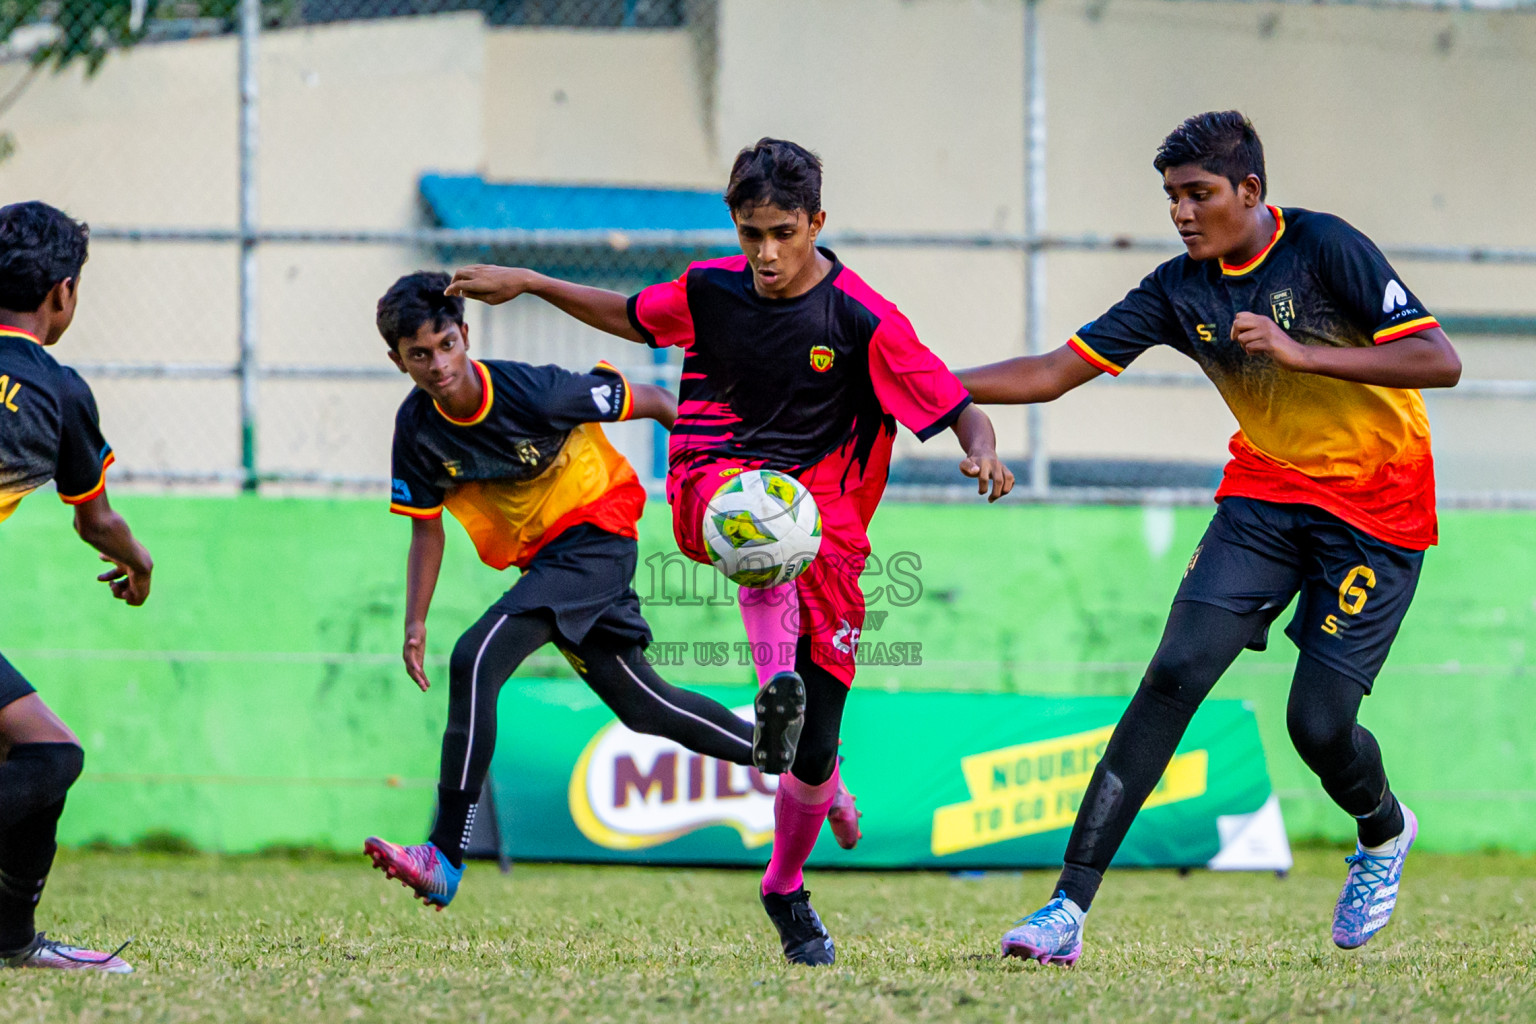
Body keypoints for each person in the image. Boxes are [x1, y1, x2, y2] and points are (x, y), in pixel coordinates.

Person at [445, 138, 1014, 965]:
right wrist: (529, 281)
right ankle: (772, 687)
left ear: (817, 221)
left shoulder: (863, 319)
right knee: (759, 523)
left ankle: (786, 881)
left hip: (831, 527)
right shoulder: (710, 290)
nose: (766, 253)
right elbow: (630, 314)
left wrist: (984, 449)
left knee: (814, 752)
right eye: (751, 233)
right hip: (714, 478)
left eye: (784, 232)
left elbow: (954, 404)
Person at [955, 112, 1461, 965]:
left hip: (1378, 510)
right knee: (1176, 671)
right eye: (1172, 198)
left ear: (1250, 192)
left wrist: (1303, 356)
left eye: (1199, 194)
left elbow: (1439, 360)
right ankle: (1065, 909)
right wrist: (910, 384)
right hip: (1266, 495)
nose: (1183, 213)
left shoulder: (1326, 247)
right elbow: (1049, 374)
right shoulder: (1175, 289)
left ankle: (1383, 831)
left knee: (1318, 726)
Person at [363, 271, 842, 909]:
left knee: (477, 657)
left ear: (464, 334)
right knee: (649, 709)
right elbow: (425, 529)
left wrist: (719, 468)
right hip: (550, 564)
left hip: (597, 538)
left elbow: (656, 400)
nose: (438, 364)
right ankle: (813, 773)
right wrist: (414, 621)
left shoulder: (535, 392)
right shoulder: (417, 430)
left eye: (445, 344)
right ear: (397, 360)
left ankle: (444, 855)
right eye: (419, 355)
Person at [0, 201, 154, 973]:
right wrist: (140, 562)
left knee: (46, 751)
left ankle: (10, 939)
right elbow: (95, 523)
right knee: (51, 757)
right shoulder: (57, 391)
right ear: (63, 293)